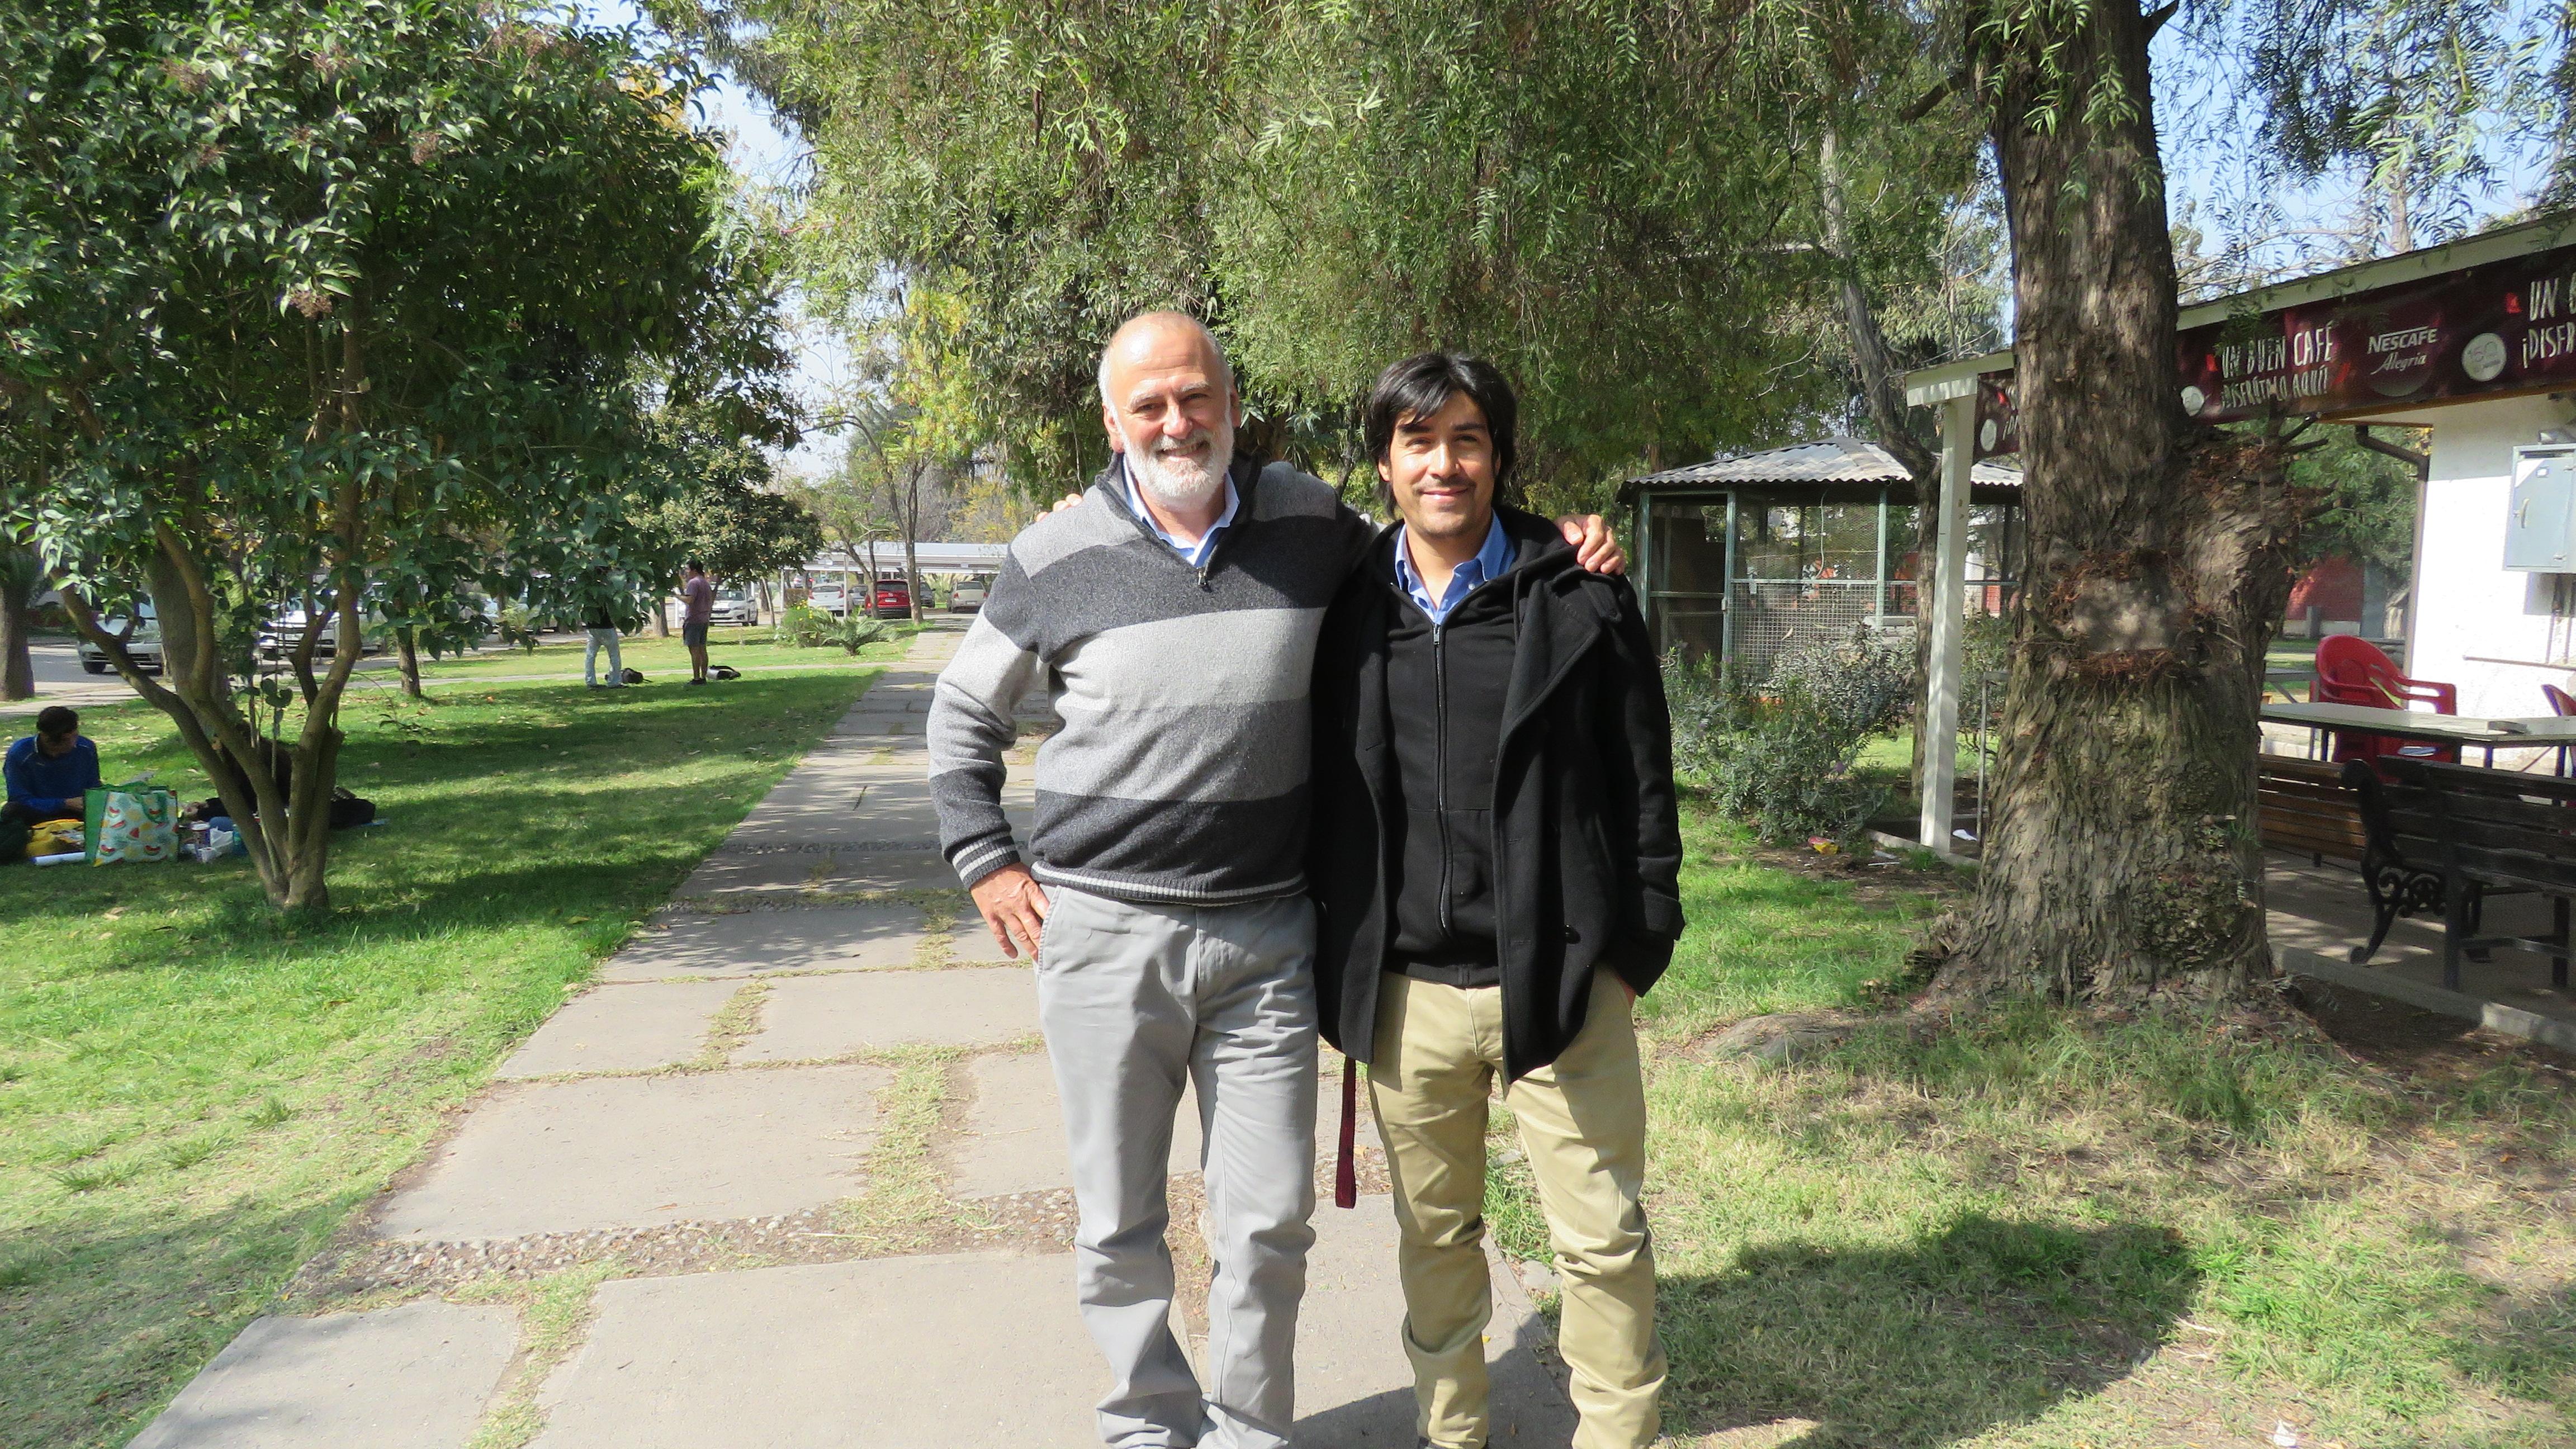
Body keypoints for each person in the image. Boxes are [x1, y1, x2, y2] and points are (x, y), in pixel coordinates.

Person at [927, 312, 1623, 1449]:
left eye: (1195, 396)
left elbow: (1438, 537)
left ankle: (1252, 1433)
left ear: (1231, 403)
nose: (1175, 421)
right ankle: (1148, 1425)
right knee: (1119, 1221)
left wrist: (1568, 542)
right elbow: (963, 713)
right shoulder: (1053, 555)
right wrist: (987, 860)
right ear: (1112, 423)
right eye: (1148, 404)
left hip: (1266, 940)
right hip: (1106, 937)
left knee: (1266, 1226)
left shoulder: (1311, 524)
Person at [1306, 354, 1684, 1449]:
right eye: (1418, 441)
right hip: (1407, 992)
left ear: (1499, 455)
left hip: (1565, 983)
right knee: (1435, 1238)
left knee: (1604, 1242)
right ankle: (1454, 1433)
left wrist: (1637, 944)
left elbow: (1643, 777)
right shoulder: (1345, 609)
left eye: (1467, 438)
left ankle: (1617, 1437)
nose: (1444, 463)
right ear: (1384, 461)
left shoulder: (1579, 592)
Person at [4, 705, 103, 825]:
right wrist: (63, 803)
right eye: (66, 740)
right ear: (46, 737)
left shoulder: (86, 748)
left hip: (78, 810)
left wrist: (88, 801)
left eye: (75, 736)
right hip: (38, 810)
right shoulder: (20, 752)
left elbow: (94, 785)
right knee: (12, 810)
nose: (73, 743)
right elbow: (18, 797)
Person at [678, 561, 714, 685]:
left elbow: (690, 600)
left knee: (694, 650)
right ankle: (703, 677)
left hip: (694, 620)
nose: (686, 572)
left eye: (688, 570)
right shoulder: (705, 582)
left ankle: (696, 678)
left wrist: (677, 596)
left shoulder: (693, 583)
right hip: (704, 619)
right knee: (702, 649)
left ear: (694, 570)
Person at [583, 598, 627, 689]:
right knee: (614, 655)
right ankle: (614, 682)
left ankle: (591, 682)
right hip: (607, 627)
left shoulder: (587, 594)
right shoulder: (606, 594)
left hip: (592, 627)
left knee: (590, 656)